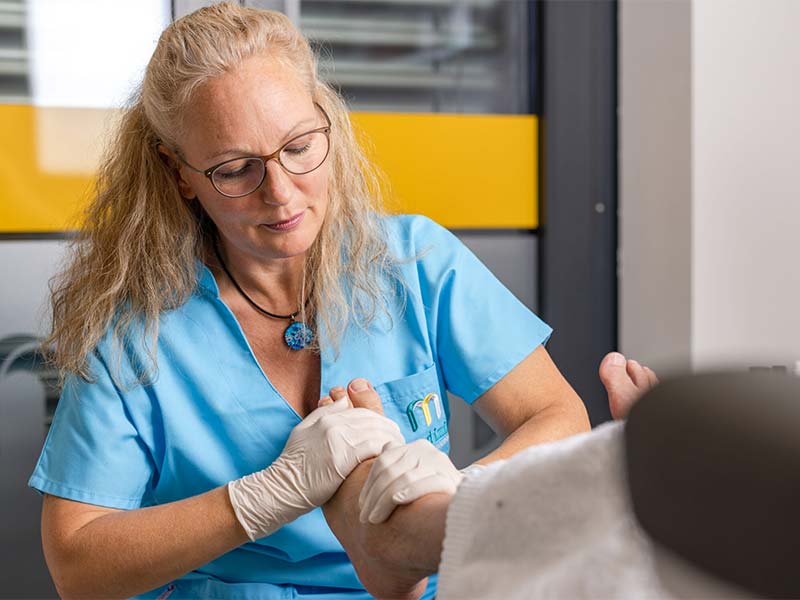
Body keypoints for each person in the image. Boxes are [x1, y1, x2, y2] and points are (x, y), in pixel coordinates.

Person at [26, 4, 654, 599]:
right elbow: (78, 568)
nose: (280, 192)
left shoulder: (413, 262)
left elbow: (554, 415)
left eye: (299, 147)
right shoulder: (135, 331)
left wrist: (459, 498)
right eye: (236, 168)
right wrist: (265, 496)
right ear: (178, 175)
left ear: (327, 120)